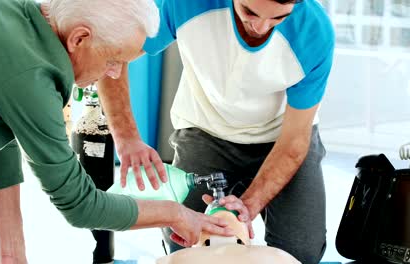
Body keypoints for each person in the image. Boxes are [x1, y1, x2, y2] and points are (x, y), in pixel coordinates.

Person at [0, 0, 248, 263]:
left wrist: (11, 254)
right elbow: (80, 205)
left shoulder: (14, 17)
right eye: (114, 59)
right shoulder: (32, 83)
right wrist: (176, 215)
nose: (115, 73)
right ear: (78, 39)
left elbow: (2, 125)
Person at [100, 0, 335, 263]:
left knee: (300, 253)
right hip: (206, 130)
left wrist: (247, 207)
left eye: (277, 19)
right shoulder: (182, 5)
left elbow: (294, 141)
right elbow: (112, 53)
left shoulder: (314, 32)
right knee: (187, 248)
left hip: (281, 139)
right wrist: (127, 138)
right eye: (250, 12)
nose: (260, 27)